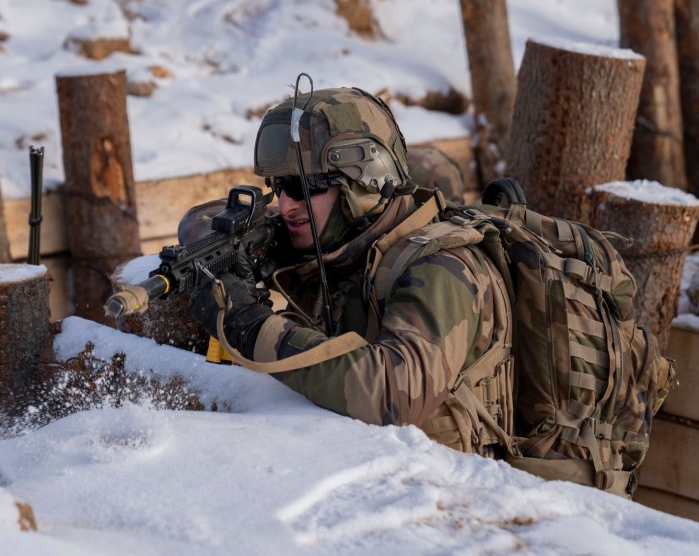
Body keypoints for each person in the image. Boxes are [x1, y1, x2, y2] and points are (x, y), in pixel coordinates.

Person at [188, 86, 512, 457]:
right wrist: (251, 241)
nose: (286, 205)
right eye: (278, 186)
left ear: (363, 183)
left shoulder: (442, 265)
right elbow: (197, 222)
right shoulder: (344, 244)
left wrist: (252, 326)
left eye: (302, 186)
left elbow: (393, 393)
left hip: (466, 494)